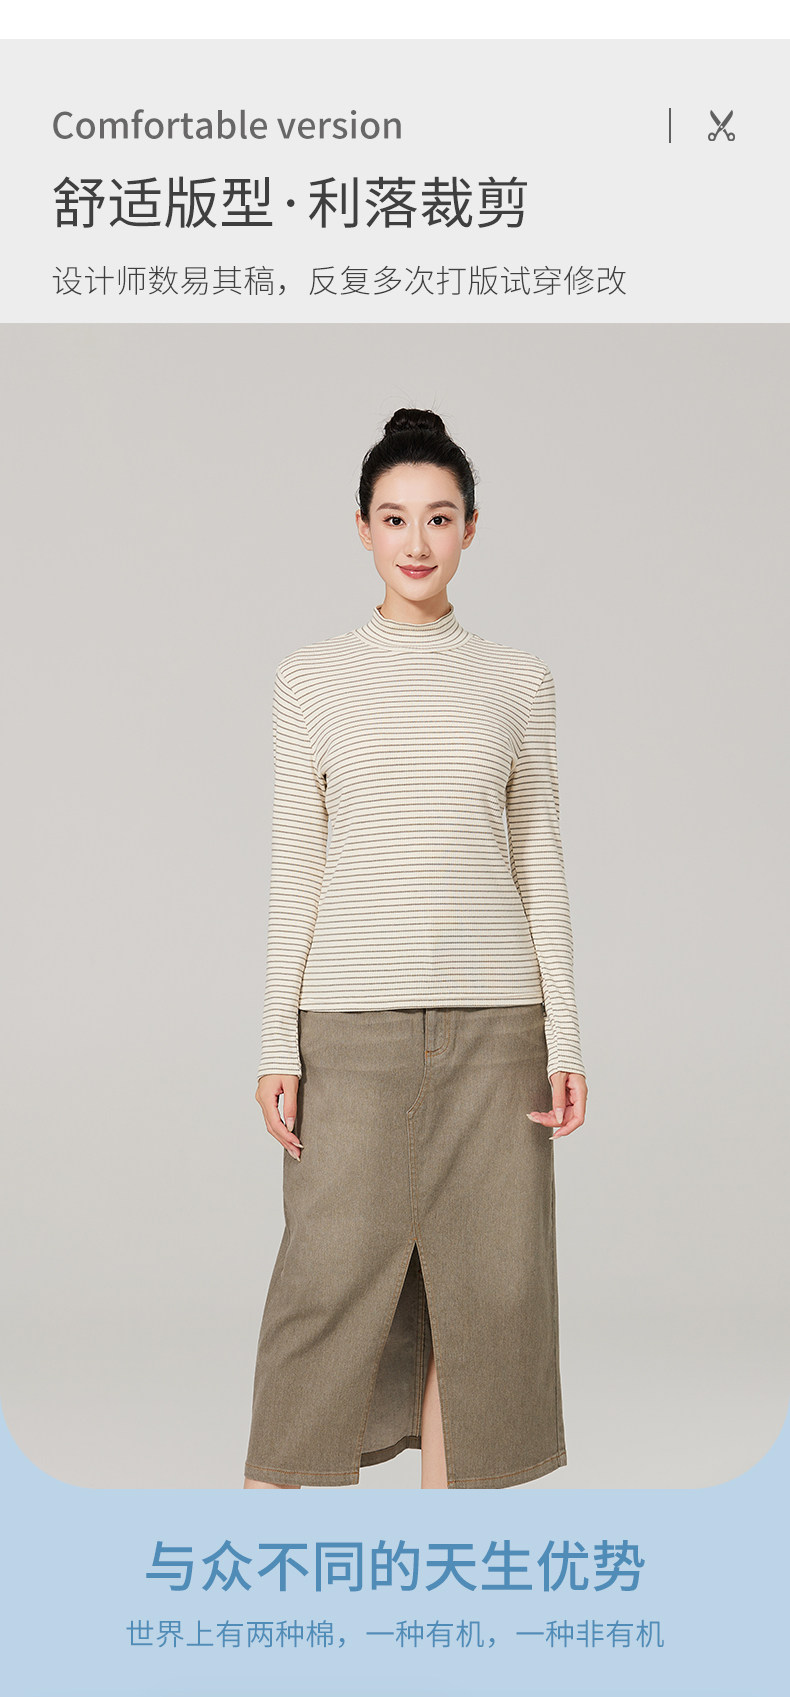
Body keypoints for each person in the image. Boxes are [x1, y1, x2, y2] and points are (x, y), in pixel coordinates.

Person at [243, 407, 588, 1491]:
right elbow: (297, 865)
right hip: (350, 1027)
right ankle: (267, 1546)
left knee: (485, 1303)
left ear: (471, 527)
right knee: (324, 1288)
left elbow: (538, 860)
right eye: (394, 517)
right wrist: (278, 1042)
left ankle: (446, 1554)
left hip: (498, 1032)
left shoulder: (518, 680)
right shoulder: (311, 678)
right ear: (362, 528)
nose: (417, 540)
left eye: (439, 517)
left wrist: (566, 1036)